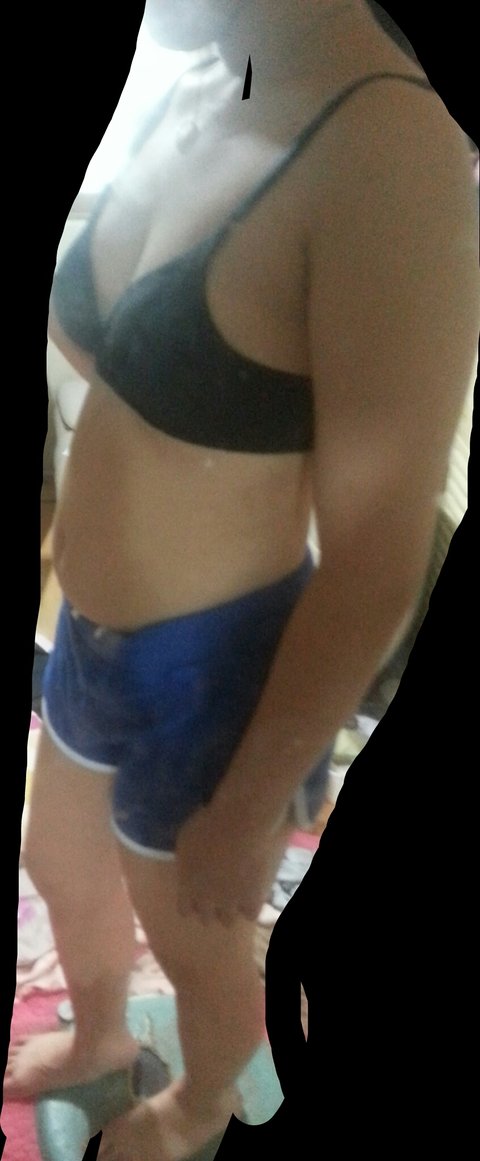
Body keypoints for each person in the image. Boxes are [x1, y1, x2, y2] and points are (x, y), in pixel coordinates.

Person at [6, 2, 479, 1159]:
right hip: (92, 634)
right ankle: (101, 1036)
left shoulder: (392, 153)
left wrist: (257, 795)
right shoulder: (205, 73)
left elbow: (378, 558)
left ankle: (200, 1102)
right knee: (59, 859)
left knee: (202, 942)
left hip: (209, 676)